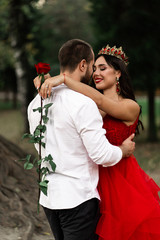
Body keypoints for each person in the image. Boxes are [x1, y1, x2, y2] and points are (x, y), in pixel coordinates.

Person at [35, 44, 160, 240]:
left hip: (121, 181)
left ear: (118, 73)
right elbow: (70, 103)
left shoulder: (130, 106)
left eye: (103, 68)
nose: (96, 73)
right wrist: (46, 81)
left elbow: (102, 104)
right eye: (95, 68)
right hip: (93, 179)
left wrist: (65, 78)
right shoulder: (89, 103)